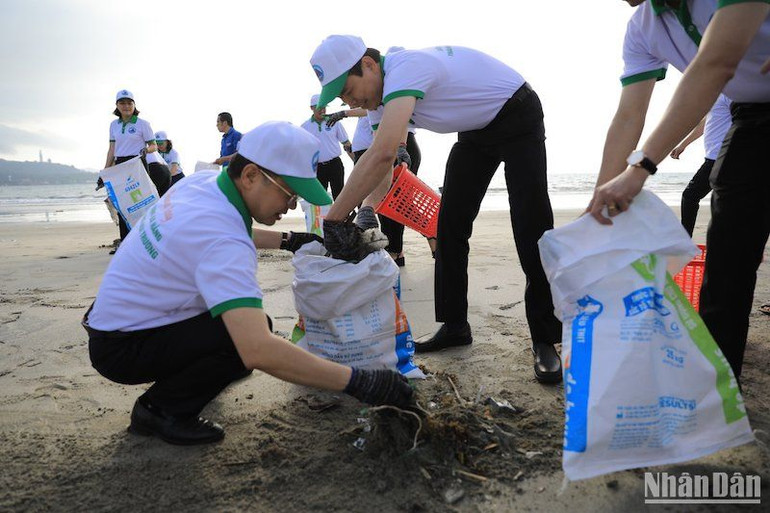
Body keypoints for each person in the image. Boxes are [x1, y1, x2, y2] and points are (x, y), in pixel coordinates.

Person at [83, 121, 414, 445]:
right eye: (290, 193)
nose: (291, 205)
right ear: (252, 175)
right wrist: (360, 382)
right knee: (240, 342)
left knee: (244, 336)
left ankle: (197, 375)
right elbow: (257, 349)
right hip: (123, 348)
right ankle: (159, 410)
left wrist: (290, 240)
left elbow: (223, 229)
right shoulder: (224, 243)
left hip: (113, 321)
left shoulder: (204, 184)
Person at [309, 36, 562, 383]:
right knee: (449, 225)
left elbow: (381, 154)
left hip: (517, 113)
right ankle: (455, 325)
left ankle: (546, 338)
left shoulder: (405, 68)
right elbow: (384, 161)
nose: (349, 101)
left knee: (530, 223)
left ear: (368, 65)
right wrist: (365, 208)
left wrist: (334, 219)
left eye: (348, 90)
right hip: (475, 131)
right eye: (342, 98)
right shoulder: (380, 104)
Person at [588, 0, 770, 382]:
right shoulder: (642, 27)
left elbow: (716, 65)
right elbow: (629, 115)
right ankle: (717, 391)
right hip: (751, 113)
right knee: (727, 260)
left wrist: (640, 168)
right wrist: (601, 199)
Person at [326, 105, 435, 264]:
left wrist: (344, 113)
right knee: (388, 205)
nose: (350, 101)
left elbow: (383, 110)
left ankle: (399, 248)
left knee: (396, 204)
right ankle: (398, 249)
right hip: (374, 151)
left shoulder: (377, 100)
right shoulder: (368, 109)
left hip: (392, 147)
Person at [104, 89, 171, 242]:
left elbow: (153, 145)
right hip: (120, 165)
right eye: (122, 103)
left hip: (138, 163)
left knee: (141, 203)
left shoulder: (143, 124)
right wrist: (106, 171)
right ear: (117, 106)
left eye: (129, 103)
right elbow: (112, 149)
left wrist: (146, 150)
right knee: (123, 205)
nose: (126, 106)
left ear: (134, 105)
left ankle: (146, 239)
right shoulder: (114, 125)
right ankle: (125, 241)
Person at [670, 94, 732, 236]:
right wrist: (683, 145)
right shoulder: (716, 94)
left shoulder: (730, 93)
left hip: (721, 157)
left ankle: (685, 239)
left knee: (690, 196)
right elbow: (705, 122)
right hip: (714, 157)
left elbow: (743, 118)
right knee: (723, 201)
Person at [300, 94, 353, 200]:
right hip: (317, 168)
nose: (323, 110)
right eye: (319, 107)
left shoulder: (334, 122)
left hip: (335, 165)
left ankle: (341, 212)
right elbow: (302, 151)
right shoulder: (305, 127)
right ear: (312, 108)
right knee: (320, 198)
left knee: (339, 197)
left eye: (324, 107)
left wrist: (356, 161)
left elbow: (346, 143)